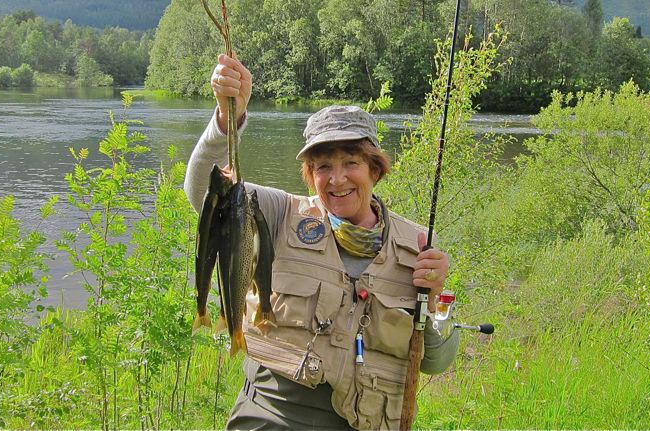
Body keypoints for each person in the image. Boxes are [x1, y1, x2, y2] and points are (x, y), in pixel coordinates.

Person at [185, 54, 459, 430]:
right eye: (323, 166)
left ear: (374, 169)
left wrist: (438, 296)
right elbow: (205, 191)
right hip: (273, 419)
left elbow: (436, 362)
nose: (337, 179)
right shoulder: (279, 213)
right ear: (309, 174)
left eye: (351, 163)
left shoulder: (417, 245)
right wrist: (225, 119)